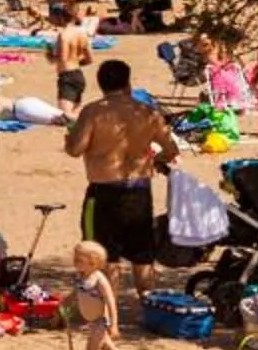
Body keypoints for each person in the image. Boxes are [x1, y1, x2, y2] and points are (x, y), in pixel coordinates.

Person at [65, 58, 176, 302]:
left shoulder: (94, 111)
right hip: (139, 189)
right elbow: (171, 149)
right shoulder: (148, 112)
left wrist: (69, 139)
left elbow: (76, 149)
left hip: (104, 190)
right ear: (128, 82)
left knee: (106, 254)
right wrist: (154, 159)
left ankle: (108, 309)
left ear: (100, 84)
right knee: (142, 252)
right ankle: (148, 303)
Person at [69, 240, 130, 350]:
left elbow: (110, 303)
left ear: (93, 262)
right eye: (74, 258)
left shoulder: (99, 280)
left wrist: (114, 325)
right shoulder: (80, 276)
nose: (74, 262)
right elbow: (75, 292)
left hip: (101, 320)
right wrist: (65, 302)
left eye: (79, 259)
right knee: (107, 347)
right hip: (90, 320)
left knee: (92, 349)